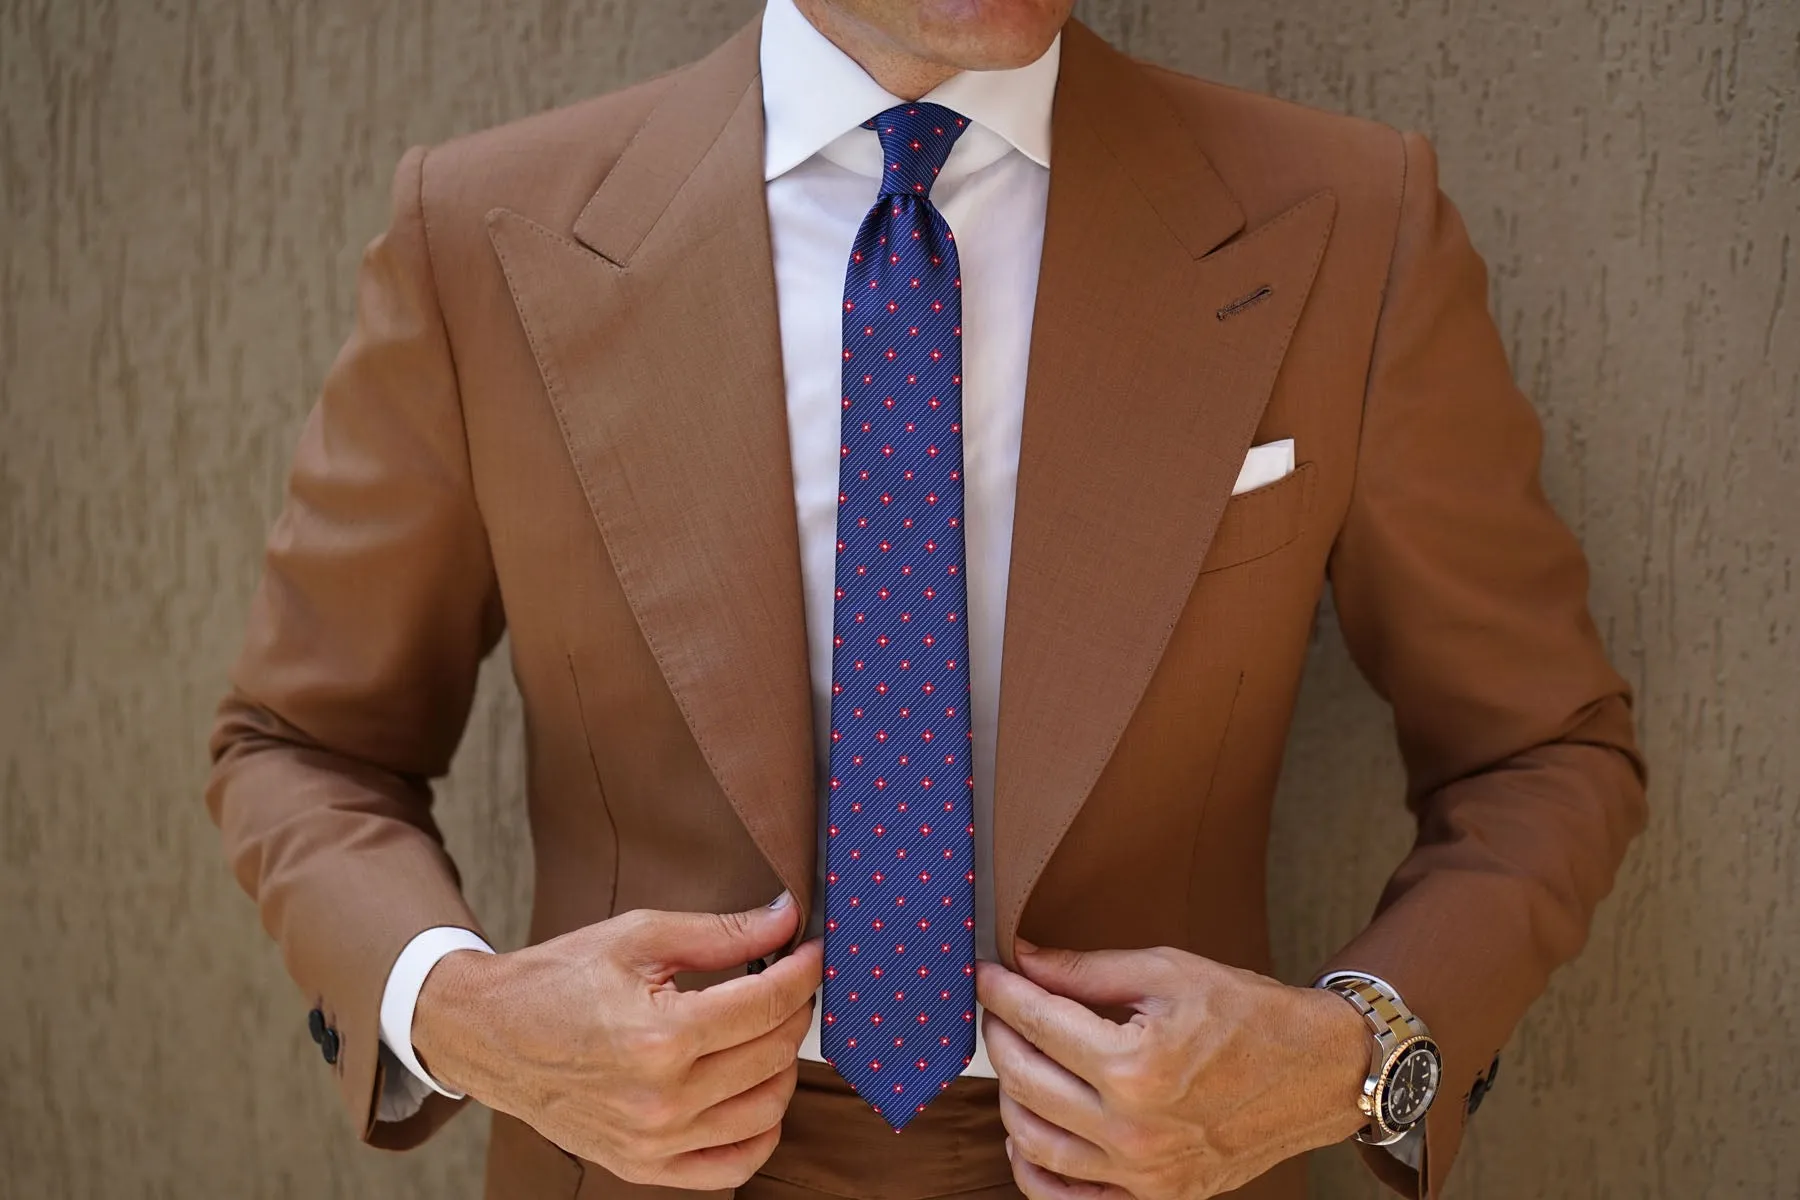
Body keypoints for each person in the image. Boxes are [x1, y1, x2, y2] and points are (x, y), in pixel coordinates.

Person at [204, 0, 1647, 1196]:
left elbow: (1540, 750)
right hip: (628, 1172)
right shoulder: (483, 234)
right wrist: (461, 1018)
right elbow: (303, 744)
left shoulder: (1345, 219)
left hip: (1164, 1177)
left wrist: (1350, 1056)